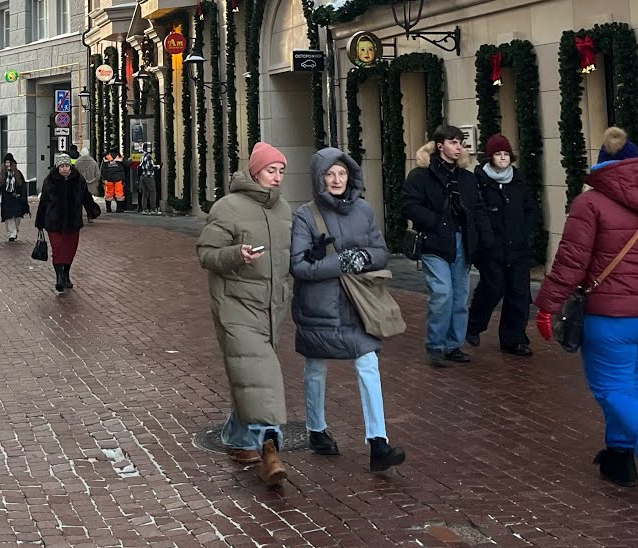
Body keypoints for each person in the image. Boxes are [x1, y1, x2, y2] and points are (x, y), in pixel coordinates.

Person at [534, 127, 638, 511]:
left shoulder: (590, 204)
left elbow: (571, 263)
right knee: (626, 385)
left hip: (610, 317)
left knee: (611, 389)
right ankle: (619, 459)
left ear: (603, 166)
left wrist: (547, 305)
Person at [291, 148, 406, 472]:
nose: (337, 179)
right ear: (319, 179)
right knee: (315, 367)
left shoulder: (364, 211)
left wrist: (364, 259)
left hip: (358, 304)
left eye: (341, 173)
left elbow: (381, 252)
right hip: (320, 306)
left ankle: (378, 442)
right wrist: (338, 262)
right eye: (330, 174)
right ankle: (316, 429)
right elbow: (298, 265)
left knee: (368, 363)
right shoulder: (304, 215)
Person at [197, 142, 294, 488]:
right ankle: (271, 452)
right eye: (271, 170)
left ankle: (237, 438)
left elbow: (289, 258)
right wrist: (237, 254)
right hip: (235, 306)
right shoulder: (228, 207)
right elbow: (207, 254)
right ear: (255, 171)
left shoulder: (284, 210)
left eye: (281, 171)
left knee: (250, 376)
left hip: (272, 308)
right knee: (262, 376)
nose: (277, 177)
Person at [402, 125, 494, 368]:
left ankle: (454, 345)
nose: (459, 147)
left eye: (461, 142)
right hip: (434, 241)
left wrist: (486, 240)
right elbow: (409, 205)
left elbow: (478, 210)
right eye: (453, 142)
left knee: (460, 296)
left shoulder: (467, 178)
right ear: (440, 145)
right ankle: (435, 345)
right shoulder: (421, 175)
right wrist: (436, 222)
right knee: (443, 293)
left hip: (462, 241)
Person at [466, 134, 539, 356]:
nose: (503, 158)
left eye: (506, 154)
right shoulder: (480, 182)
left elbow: (531, 209)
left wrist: (526, 232)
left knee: (519, 293)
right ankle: (474, 325)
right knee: (492, 288)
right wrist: (484, 242)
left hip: (517, 248)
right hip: (492, 248)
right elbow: (476, 214)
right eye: (498, 154)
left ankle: (514, 339)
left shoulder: (518, 181)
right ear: (490, 157)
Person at [35, 152, 101, 293]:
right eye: (62, 166)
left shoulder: (78, 179)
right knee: (58, 250)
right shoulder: (50, 180)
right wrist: (40, 221)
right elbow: (44, 202)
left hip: (73, 221)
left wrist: (92, 209)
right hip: (54, 222)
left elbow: (86, 197)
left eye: (66, 166)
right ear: (57, 167)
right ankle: (59, 278)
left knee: (70, 250)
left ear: (70, 166)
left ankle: (66, 274)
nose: (64, 169)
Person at [0, 153, 30, 242]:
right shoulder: (2, 175)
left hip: (17, 200)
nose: (7, 164)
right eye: (6, 162)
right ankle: (11, 234)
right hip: (7, 200)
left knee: (17, 218)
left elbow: (23, 188)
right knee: (9, 218)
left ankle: (14, 231)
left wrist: (24, 200)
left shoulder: (18, 174)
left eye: (9, 162)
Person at [75, 149, 101, 220]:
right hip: (90, 185)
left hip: (79, 186)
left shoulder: (77, 162)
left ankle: (78, 217)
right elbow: (98, 174)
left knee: (78, 202)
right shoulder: (93, 162)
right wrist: (94, 181)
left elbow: (74, 174)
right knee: (88, 202)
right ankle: (90, 216)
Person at [138, 143, 159, 215]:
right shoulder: (149, 156)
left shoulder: (143, 156)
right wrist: (158, 166)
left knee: (145, 193)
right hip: (148, 176)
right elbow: (150, 167)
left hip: (143, 176)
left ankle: (144, 209)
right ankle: (153, 209)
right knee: (153, 192)